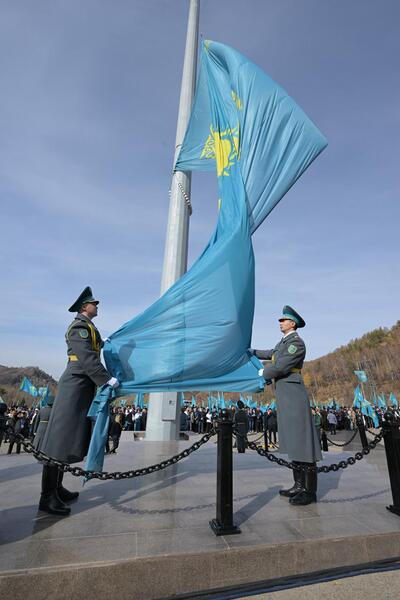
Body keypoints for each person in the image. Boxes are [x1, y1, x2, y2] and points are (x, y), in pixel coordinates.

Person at [38, 286, 119, 516]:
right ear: (85, 307)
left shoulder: (89, 327)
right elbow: (86, 357)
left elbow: (94, 348)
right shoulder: (79, 327)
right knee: (59, 440)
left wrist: (106, 342)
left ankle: (57, 488)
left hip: (82, 385)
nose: (97, 306)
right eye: (94, 303)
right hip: (75, 384)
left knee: (66, 439)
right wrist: (105, 379)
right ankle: (47, 496)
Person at [252, 305, 321, 506]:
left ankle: (309, 491)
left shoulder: (296, 343)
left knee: (303, 441)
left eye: (283, 320)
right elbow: (270, 353)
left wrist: (263, 373)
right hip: (285, 394)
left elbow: (281, 366)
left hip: (294, 394)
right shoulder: (282, 343)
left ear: (293, 323)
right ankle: (298, 485)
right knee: (293, 441)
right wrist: (250, 352)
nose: (280, 322)